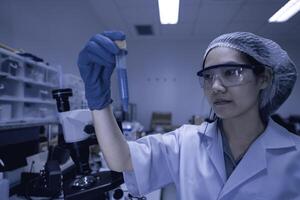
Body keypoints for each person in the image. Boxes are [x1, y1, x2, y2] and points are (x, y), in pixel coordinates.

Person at [77, 31, 300, 200]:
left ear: (265, 78)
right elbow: (122, 159)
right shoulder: (186, 141)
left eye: (232, 72)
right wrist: (99, 101)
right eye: (208, 76)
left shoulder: (295, 155)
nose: (216, 87)